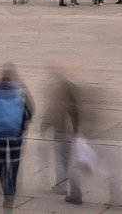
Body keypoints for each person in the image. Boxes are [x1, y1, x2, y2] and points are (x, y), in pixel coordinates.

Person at [0, 64, 35, 208]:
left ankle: (5, 190)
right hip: (16, 134)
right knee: (14, 161)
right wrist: (24, 123)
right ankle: (12, 187)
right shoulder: (21, 91)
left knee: (1, 163)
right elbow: (30, 111)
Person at [40, 64, 83, 205]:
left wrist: (45, 125)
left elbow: (52, 110)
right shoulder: (73, 88)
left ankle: (70, 190)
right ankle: (65, 187)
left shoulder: (58, 90)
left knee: (65, 162)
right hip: (72, 132)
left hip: (62, 131)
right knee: (67, 161)